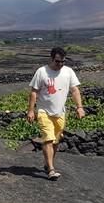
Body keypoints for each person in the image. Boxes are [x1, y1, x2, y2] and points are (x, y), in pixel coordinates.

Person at [27, 47, 86, 180]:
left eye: (63, 62)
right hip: (44, 112)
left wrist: (79, 107)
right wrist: (31, 110)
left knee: (55, 142)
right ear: (51, 59)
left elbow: (75, 90)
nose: (60, 64)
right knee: (48, 138)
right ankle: (52, 170)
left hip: (60, 112)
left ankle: (48, 164)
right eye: (58, 61)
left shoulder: (68, 72)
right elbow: (34, 92)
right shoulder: (41, 72)